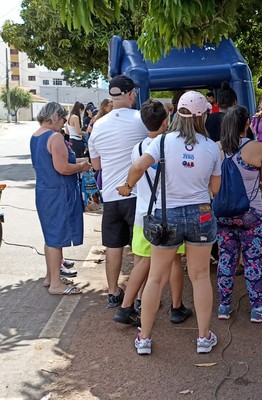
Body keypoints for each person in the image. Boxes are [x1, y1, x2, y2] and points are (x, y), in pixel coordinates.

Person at [117, 90, 221, 355]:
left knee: (155, 278)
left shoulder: (161, 142)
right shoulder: (211, 147)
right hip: (201, 214)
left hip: (166, 216)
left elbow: (139, 166)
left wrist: (128, 186)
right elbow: (215, 189)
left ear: (178, 112)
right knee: (199, 277)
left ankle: (145, 339)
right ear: (203, 115)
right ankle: (203, 337)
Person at [112, 99, 192, 326]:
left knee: (143, 261)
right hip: (169, 213)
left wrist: (127, 187)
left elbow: (136, 175)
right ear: (166, 121)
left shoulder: (137, 148)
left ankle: (129, 305)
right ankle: (177, 307)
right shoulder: (174, 145)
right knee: (175, 260)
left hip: (143, 213)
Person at [88, 75, 148, 308]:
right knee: (140, 249)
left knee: (113, 246)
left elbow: (96, 166)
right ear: (131, 94)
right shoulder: (141, 120)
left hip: (111, 195)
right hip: (137, 194)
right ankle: (141, 296)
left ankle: (113, 293)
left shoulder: (98, 126)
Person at [216, 106, 262, 323]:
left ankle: (224, 306)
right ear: (246, 125)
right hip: (253, 214)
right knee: (252, 261)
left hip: (223, 214)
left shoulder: (217, 148)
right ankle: (257, 308)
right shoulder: (258, 148)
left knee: (226, 259)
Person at [30, 102, 91, 295]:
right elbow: (62, 168)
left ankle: (51, 277)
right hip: (58, 192)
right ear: (55, 117)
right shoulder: (54, 137)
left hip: (45, 191)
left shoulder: (36, 135)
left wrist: (80, 162)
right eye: (63, 119)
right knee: (56, 238)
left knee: (51, 237)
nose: (64, 124)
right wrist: (82, 167)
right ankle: (56, 283)